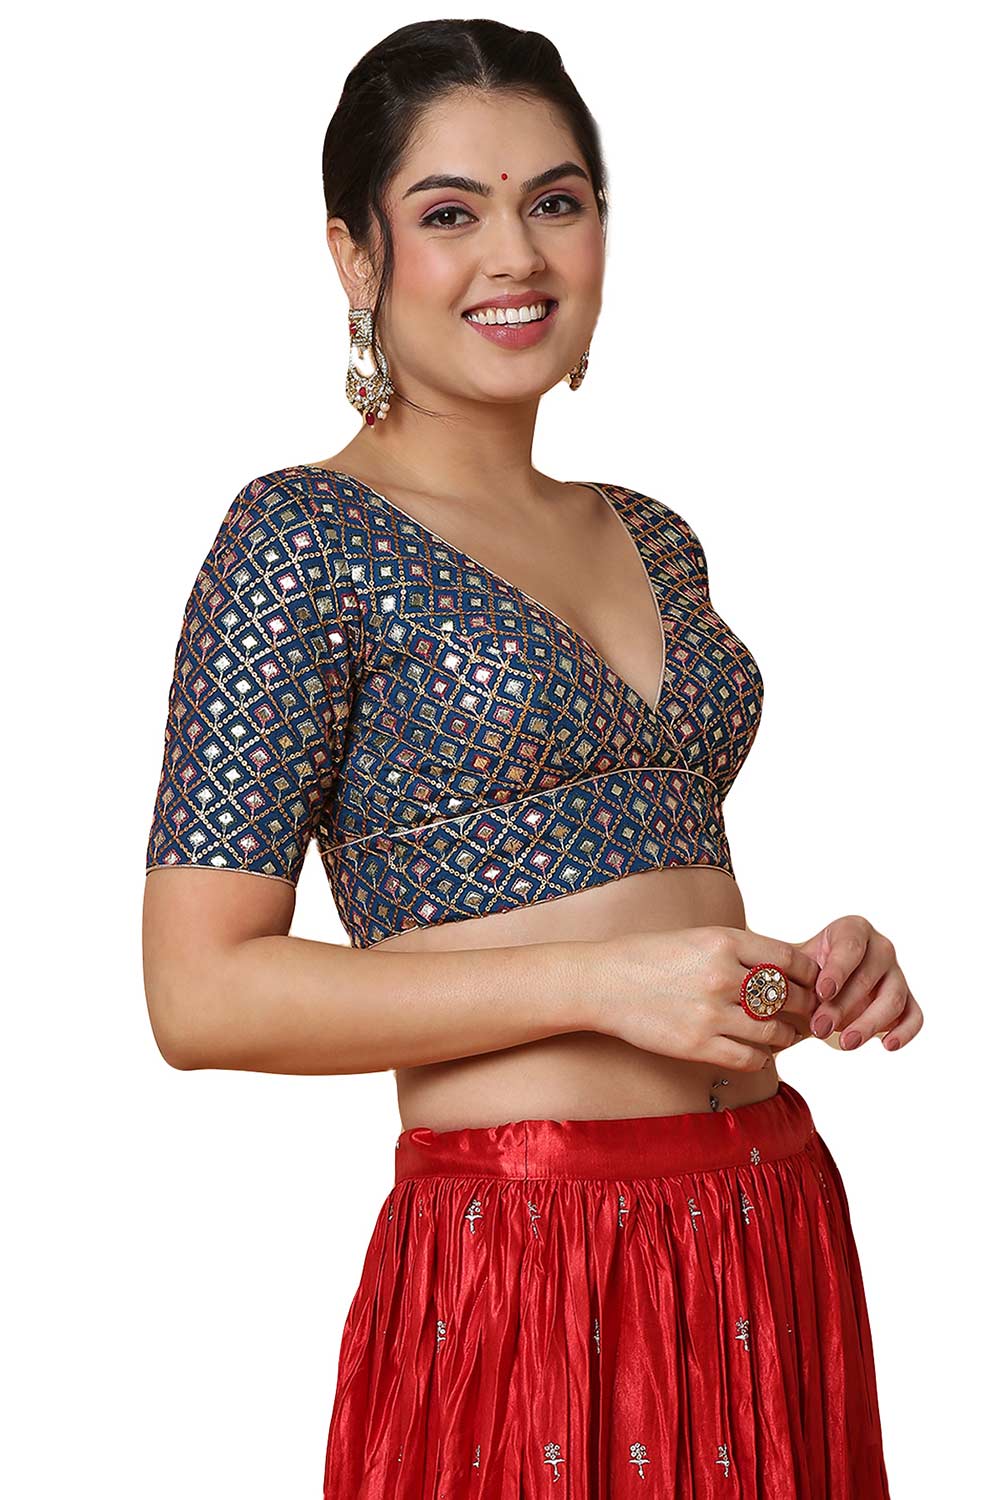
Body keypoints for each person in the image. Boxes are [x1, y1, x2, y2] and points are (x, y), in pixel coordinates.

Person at [142, 19, 920, 1498]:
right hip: (529, 1255)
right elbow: (199, 992)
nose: (517, 254)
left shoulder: (654, 534)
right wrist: (603, 986)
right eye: (451, 213)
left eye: (556, 202)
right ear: (355, 255)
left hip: (766, 1223)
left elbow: (650, 889)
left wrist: (802, 977)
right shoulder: (298, 541)